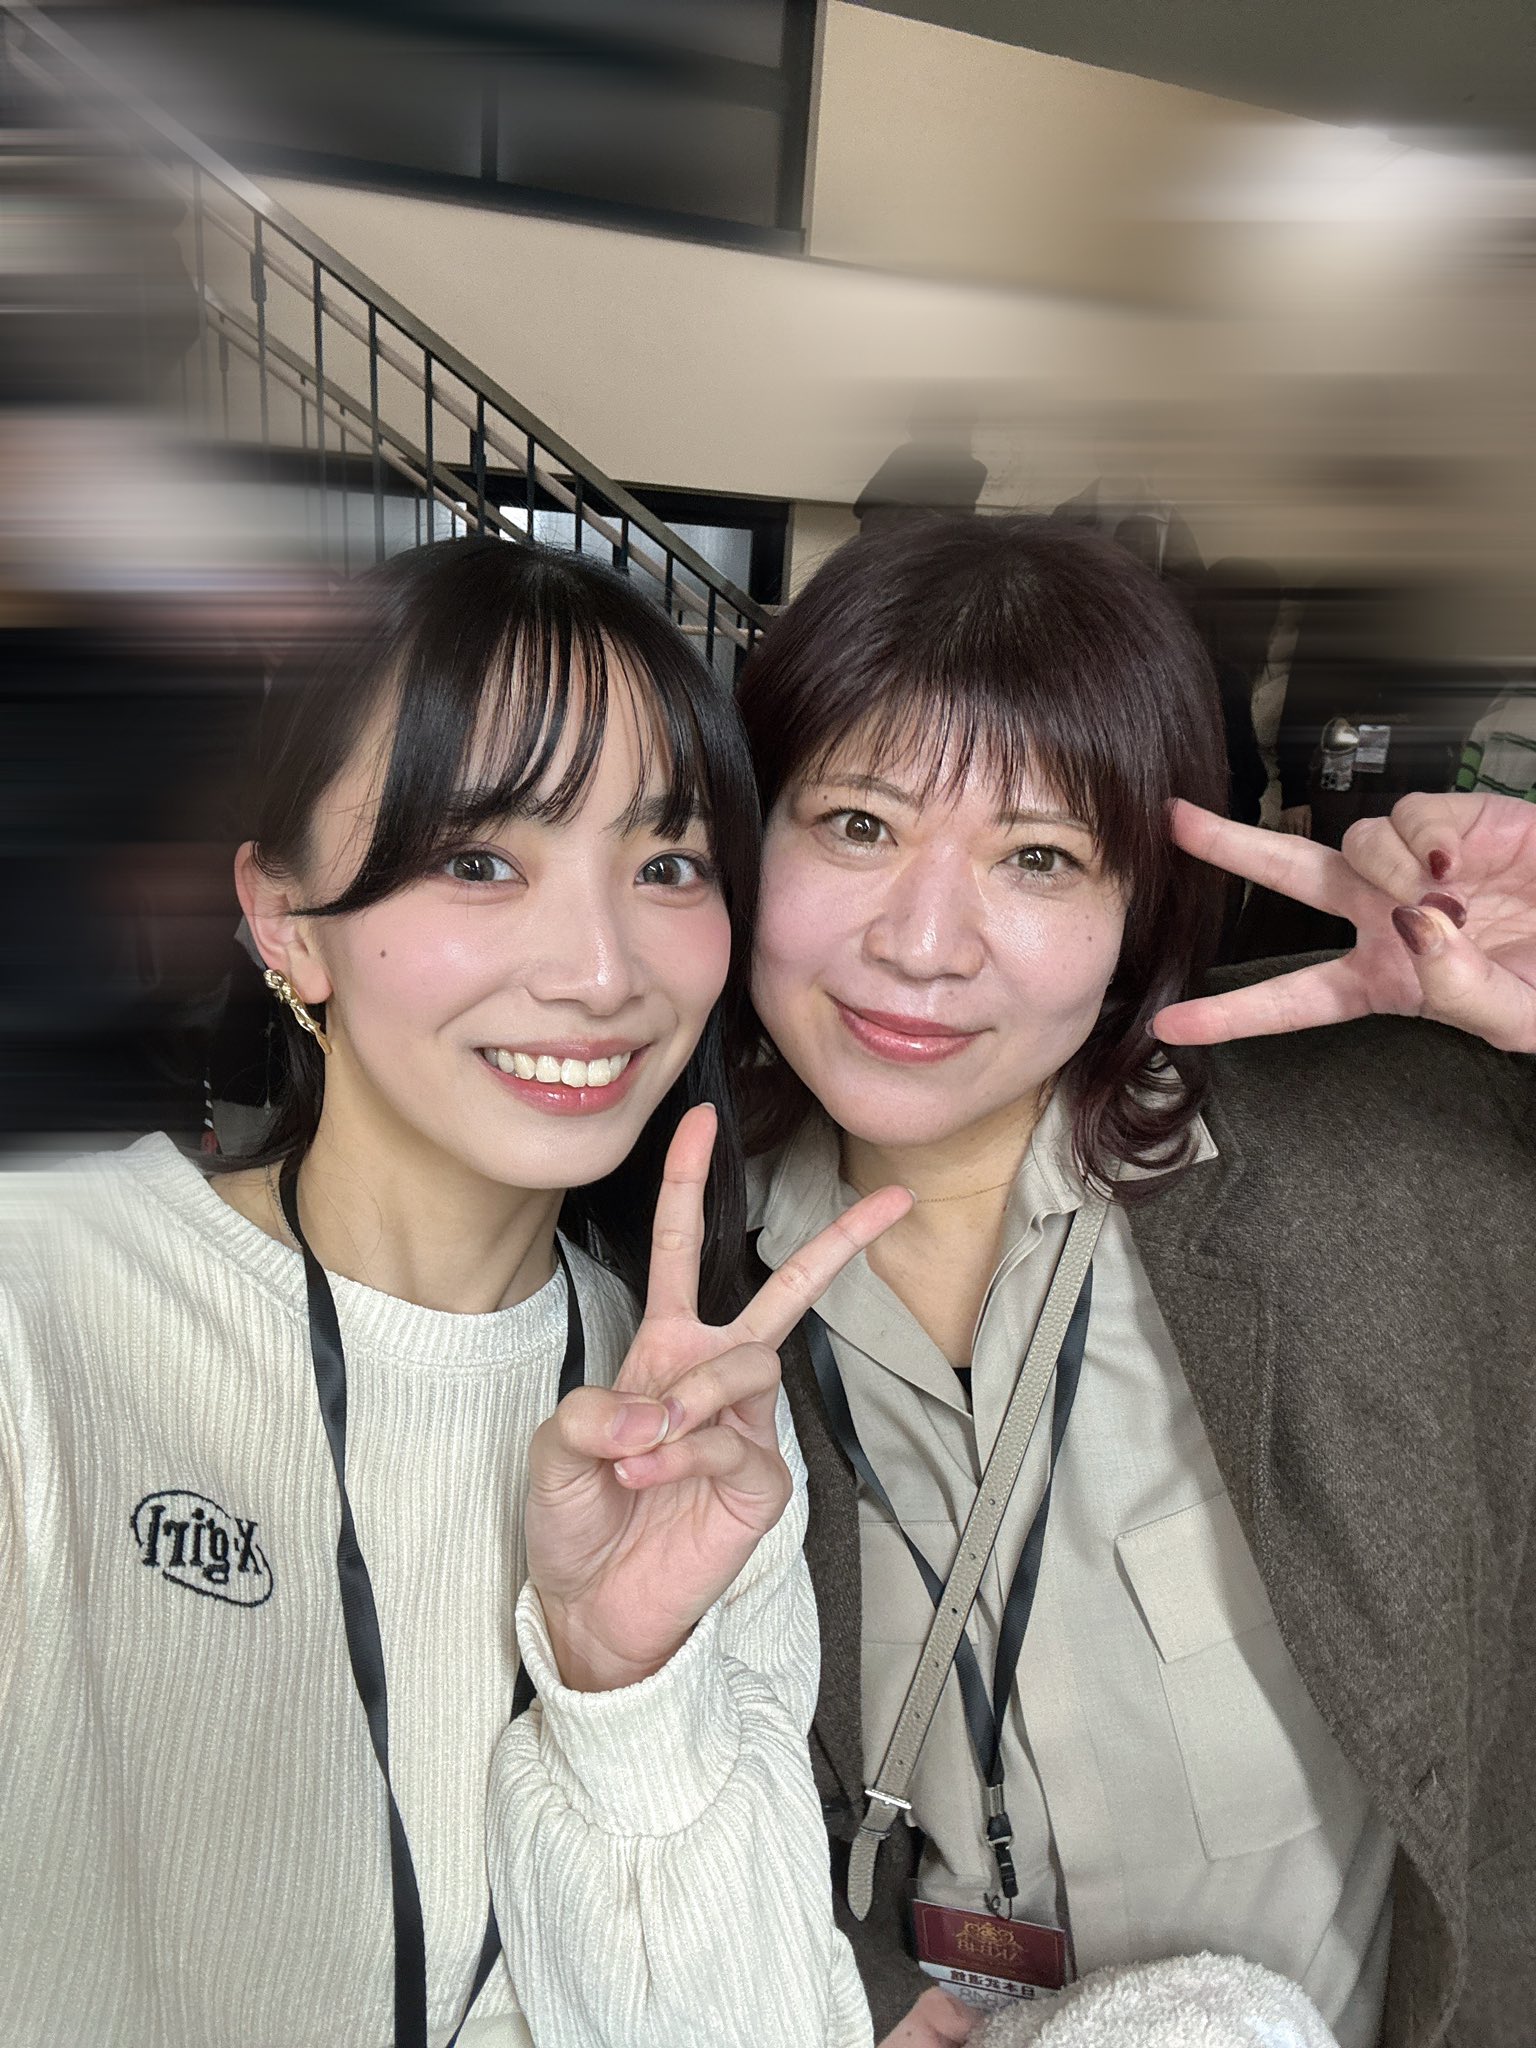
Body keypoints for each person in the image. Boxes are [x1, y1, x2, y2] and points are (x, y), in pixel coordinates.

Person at [0, 536, 910, 2048]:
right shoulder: (38, 1302)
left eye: (667, 865)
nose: (601, 971)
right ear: (287, 922)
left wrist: (623, 1689)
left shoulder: (693, 1423)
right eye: (480, 859)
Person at [733, 516, 1536, 2048]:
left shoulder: (1383, 1161)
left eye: (1037, 856)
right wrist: (864, 1989)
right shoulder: (672, 1278)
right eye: (856, 824)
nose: (922, 944)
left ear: (1139, 913)